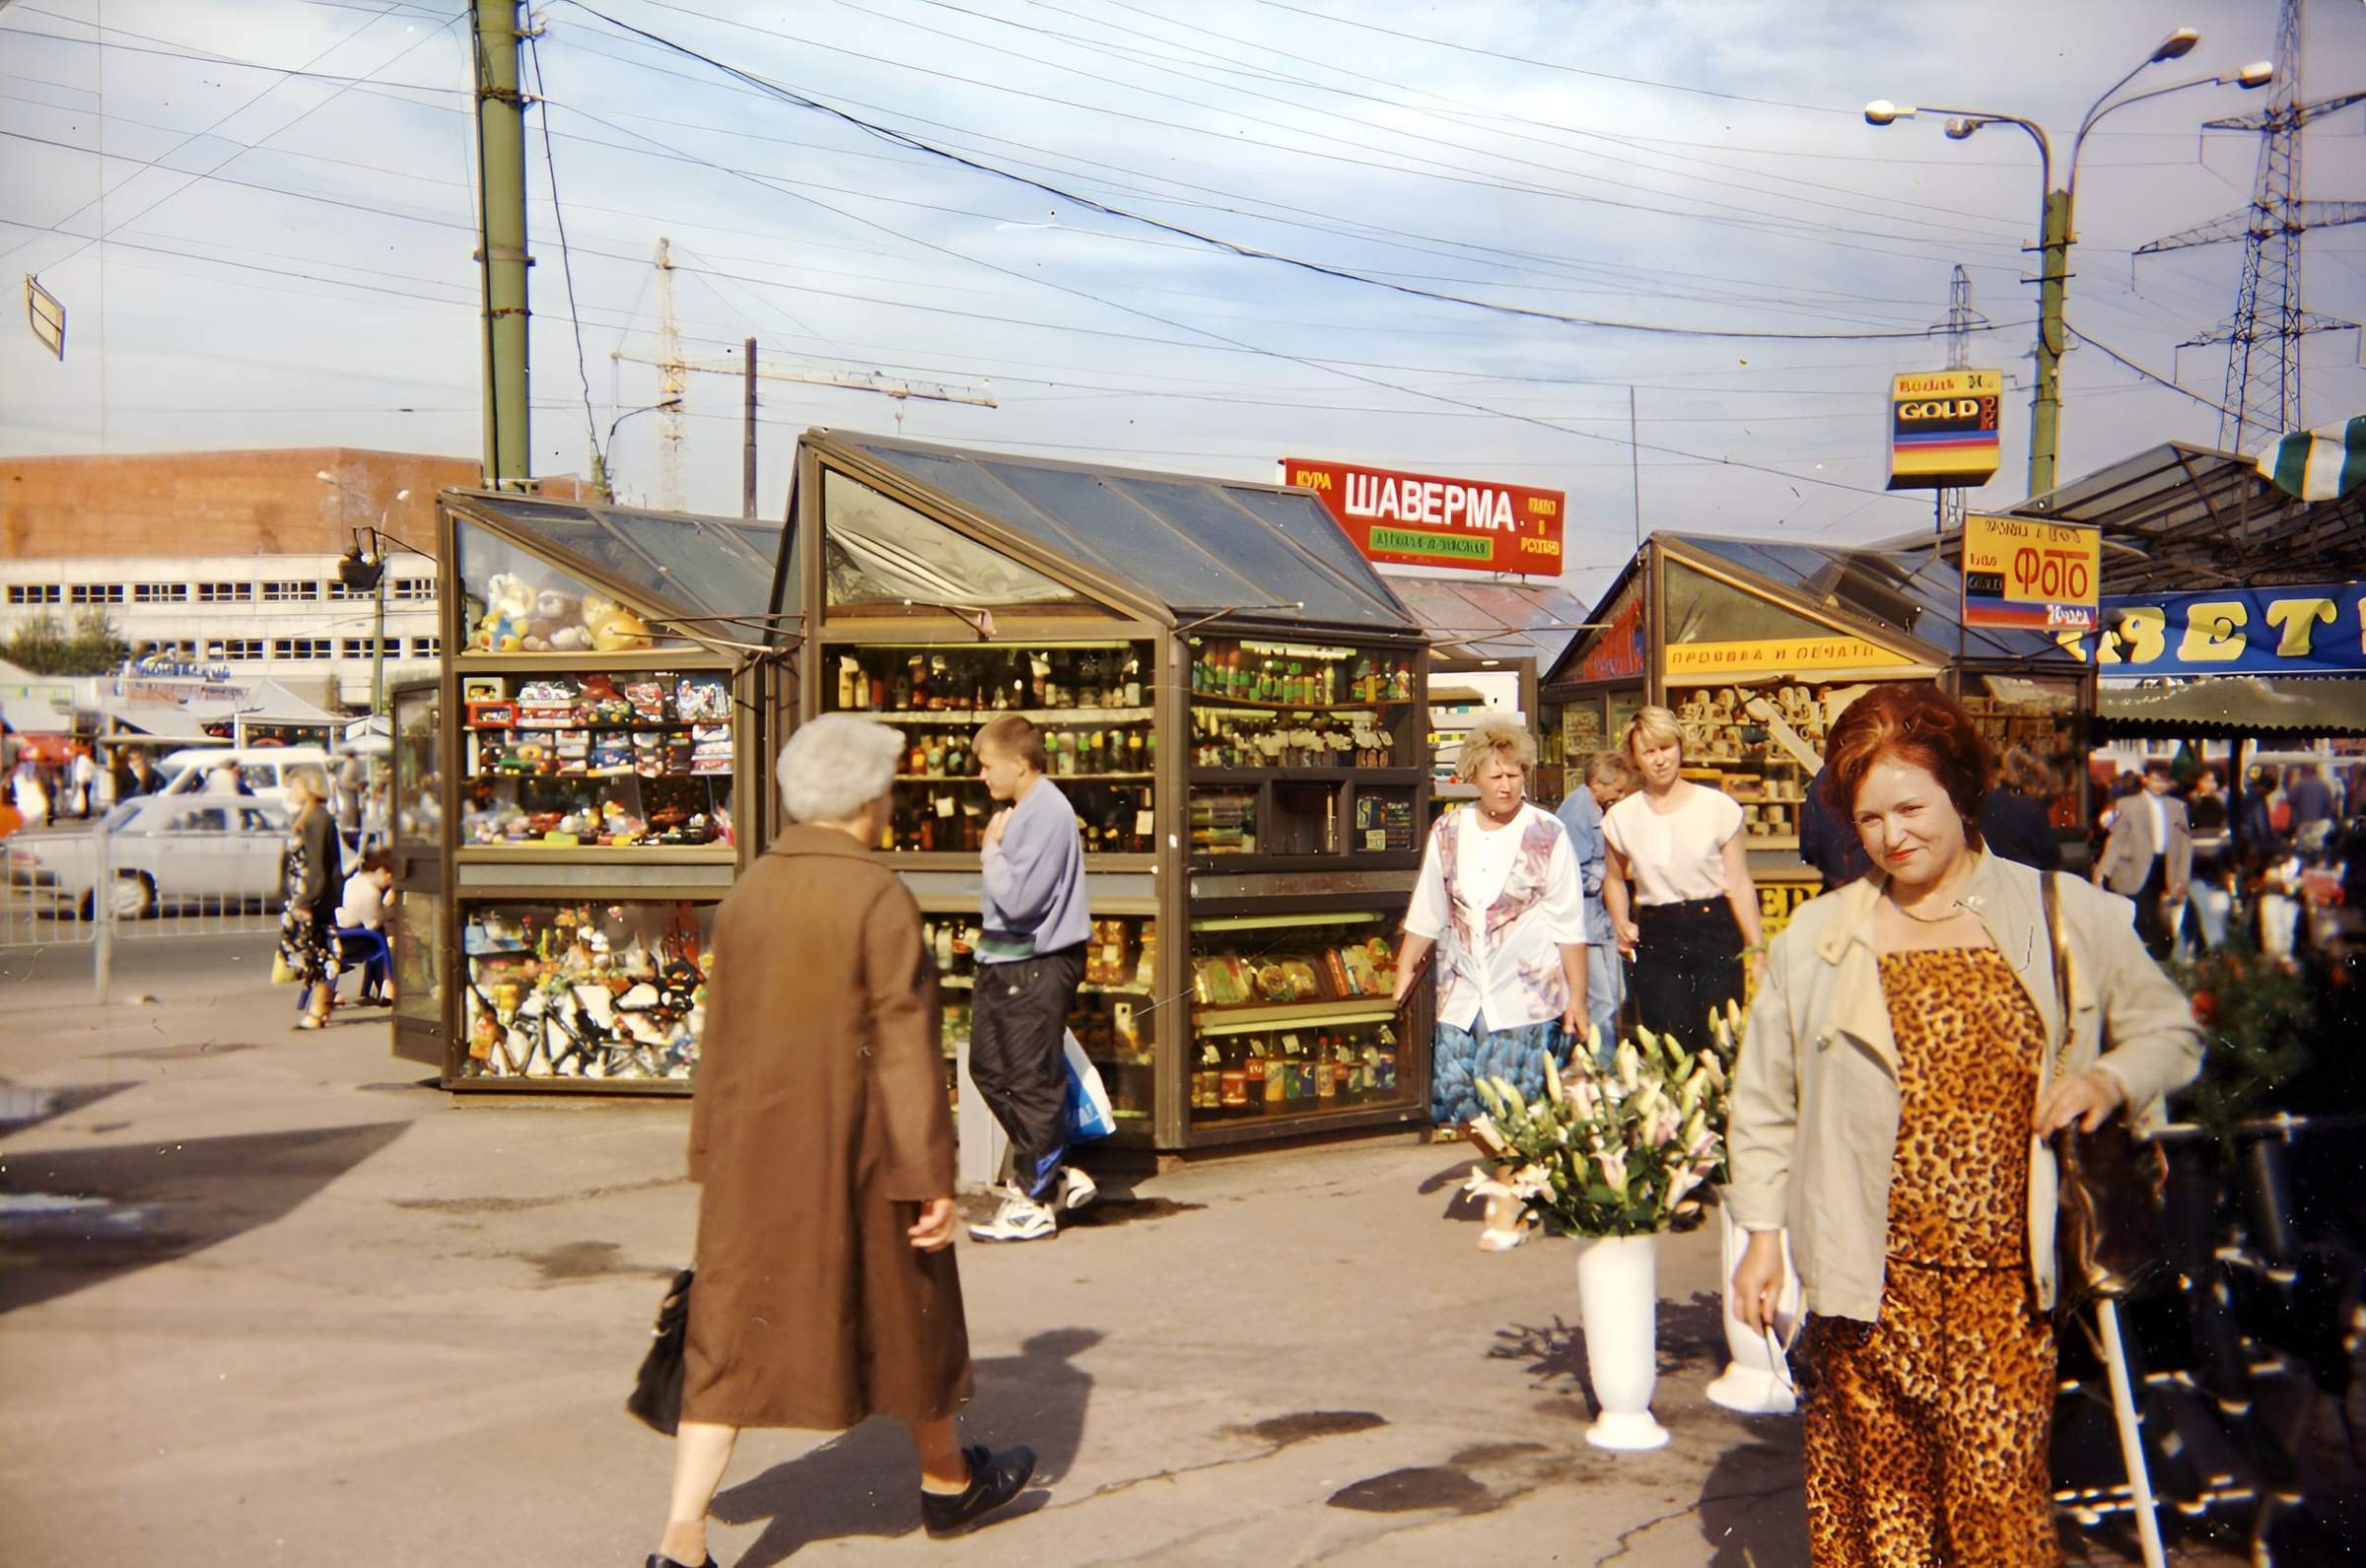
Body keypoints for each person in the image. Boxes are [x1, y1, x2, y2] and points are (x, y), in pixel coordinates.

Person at [1727, 682, 2200, 1567]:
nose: (1891, 835)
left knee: (1997, 1515)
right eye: (1867, 818)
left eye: (1911, 806)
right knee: (1885, 1521)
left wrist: (2108, 1072)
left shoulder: (2065, 913)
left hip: (2004, 1285)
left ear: (1962, 790)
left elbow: (2171, 1031)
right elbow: (1764, 1098)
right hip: (1868, 1283)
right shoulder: (1819, 938)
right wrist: (1760, 1237)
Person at [655, 715, 1034, 1568]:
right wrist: (933, 1174)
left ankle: (681, 1541)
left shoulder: (750, 888)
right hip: (861, 1156)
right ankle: (946, 1484)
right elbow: (903, 1046)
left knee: (727, 1336)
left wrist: (709, 1151)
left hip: (756, 1154)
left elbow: (724, 1034)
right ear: (868, 797)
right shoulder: (877, 895)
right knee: (911, 1314)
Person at [1398, 716, 1587, 1252]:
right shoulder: (1449, 831)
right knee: (1460, 1105)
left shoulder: (1547, 833)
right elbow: (1427, 910)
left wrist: (1578, 1000)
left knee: (1509, 1106)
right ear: (1473, 776)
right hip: (1461, 992)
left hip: (1526, 995)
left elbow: (1569, 925)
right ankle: (1534, 1174)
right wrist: (1402, 970)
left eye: (1515, 774)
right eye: (1495, 774)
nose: (1507, 784)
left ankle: (1507, 1213)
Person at [965, 714, 1094, 1244]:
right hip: (1009, 961)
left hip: (1033, 963)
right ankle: (1055, 1172)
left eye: (987, 765)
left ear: (1019, 765)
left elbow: (1020, 899)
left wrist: (989, 854)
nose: (981, 776)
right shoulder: (1026, 808)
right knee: (988, 1069)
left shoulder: (1045, 812)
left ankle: (1034, 1200)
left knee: (1027, 1078)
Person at [1600, 706, 1764, 1045]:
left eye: (1666, 748)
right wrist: (1620, 920)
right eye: (1649, 751)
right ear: (1635, 758)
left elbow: (1739, 883)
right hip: (1658, 932)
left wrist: (1757, 950)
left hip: (1714, 927)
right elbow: (1613, 878)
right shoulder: (1621, 817)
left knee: (1720, 1036)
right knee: (1668, 1038)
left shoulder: (1717, 807)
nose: (1659, 760)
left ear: (1679, 747)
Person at [1553, 750, 1634, 1058]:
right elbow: (1574, 873)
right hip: (1585, 924)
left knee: (1615, 994)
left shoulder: (1591, 806)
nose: (1620, 795)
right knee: (1604, 999)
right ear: (1599, 783)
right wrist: (1612, 872)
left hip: (1598, 923)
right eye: (1617, 789)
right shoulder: (1578, 810)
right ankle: (1604, 1065)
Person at [2096, 758, 2192, 959]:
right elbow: (2116, 841)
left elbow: (2184, 846)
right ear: (2146, 779)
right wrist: (2103, 872)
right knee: (2142, 918)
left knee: (2163, 921)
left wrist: (2182, 877)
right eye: (2156, 780)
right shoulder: (2128, 805)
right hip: (2135, 868)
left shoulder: (2177, 807)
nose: (2160, 785)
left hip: (2164, 867)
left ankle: (2160, 961)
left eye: (2164, 781)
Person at [277, 769, 344, 1030]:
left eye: (295, 786)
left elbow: (318, 868)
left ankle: (318, 1010)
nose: (292, 791)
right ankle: (320, 1007)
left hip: (314, 900)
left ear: (310, 787)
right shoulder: (306, 816)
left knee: (320, 955)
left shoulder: (318, 819)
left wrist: (307, 901)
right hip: (302, 897)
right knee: (312, 955)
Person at [1978, 744, 2060, 871]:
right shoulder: (2032, 809)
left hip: (1992, 878)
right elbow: (2051, 857)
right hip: (2025, 881)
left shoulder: (1988, 800)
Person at [335, 849, 396, 1004]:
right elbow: (372, 923)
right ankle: (389, 987)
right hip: (360, 941)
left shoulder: (351, 882)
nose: (390, 881)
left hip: (343, 935)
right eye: (389, 875)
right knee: (391, 939)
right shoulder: (371, 892)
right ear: (379, 871)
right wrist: (389, 908)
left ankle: (382, 987)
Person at [1798, 772, 1874, 891]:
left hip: (1838, 885)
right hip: (1876, 884)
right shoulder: (1884, 768)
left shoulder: (1823, 777)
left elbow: (1809, 846)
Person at [2286, 761, 2336, 852]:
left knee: (2303, 849)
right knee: (2317, 849)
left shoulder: (2299, 785)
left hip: (2303, 823)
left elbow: (2290, 799)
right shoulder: (2324, 785)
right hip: (2319, 824)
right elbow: (2329, 806)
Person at [335, 748, 369, 844]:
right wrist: (358, 785)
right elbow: (346, 782)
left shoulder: (351, 764)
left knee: (351, 828)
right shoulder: (353, 764)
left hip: (350, 802)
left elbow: (344, 782)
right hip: (350, 802)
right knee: (352, 828)